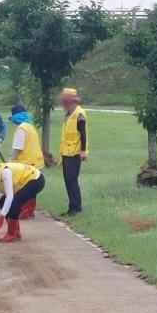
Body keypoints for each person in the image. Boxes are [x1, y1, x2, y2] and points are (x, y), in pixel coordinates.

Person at [0, 158, 45, 243]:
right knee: (2, 201)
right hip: (25, 182)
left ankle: (12, 234)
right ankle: (15, 232)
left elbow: (10, 196)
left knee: (14, 203)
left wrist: (1, 216)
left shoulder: (4, 172)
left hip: (36, 180)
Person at [9, 104, 45, 219]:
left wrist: (10, 161)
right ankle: (29, 211)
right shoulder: (30, 126)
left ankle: (25, 211)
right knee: (32, 188)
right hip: (36, 162)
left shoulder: (21, 128)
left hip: (27, 164)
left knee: (24, 189)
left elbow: (17, 148)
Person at [59, 88, 88, 217]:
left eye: (65, 102)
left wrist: (83, 151)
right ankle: (71, 208)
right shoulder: (68, 114)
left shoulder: (79, 114)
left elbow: (83, 134)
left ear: (70, 101)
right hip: (66, 152)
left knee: (72, 180)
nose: (63, 105)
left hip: (75, 153)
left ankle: (77, 208)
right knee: (67, 180)